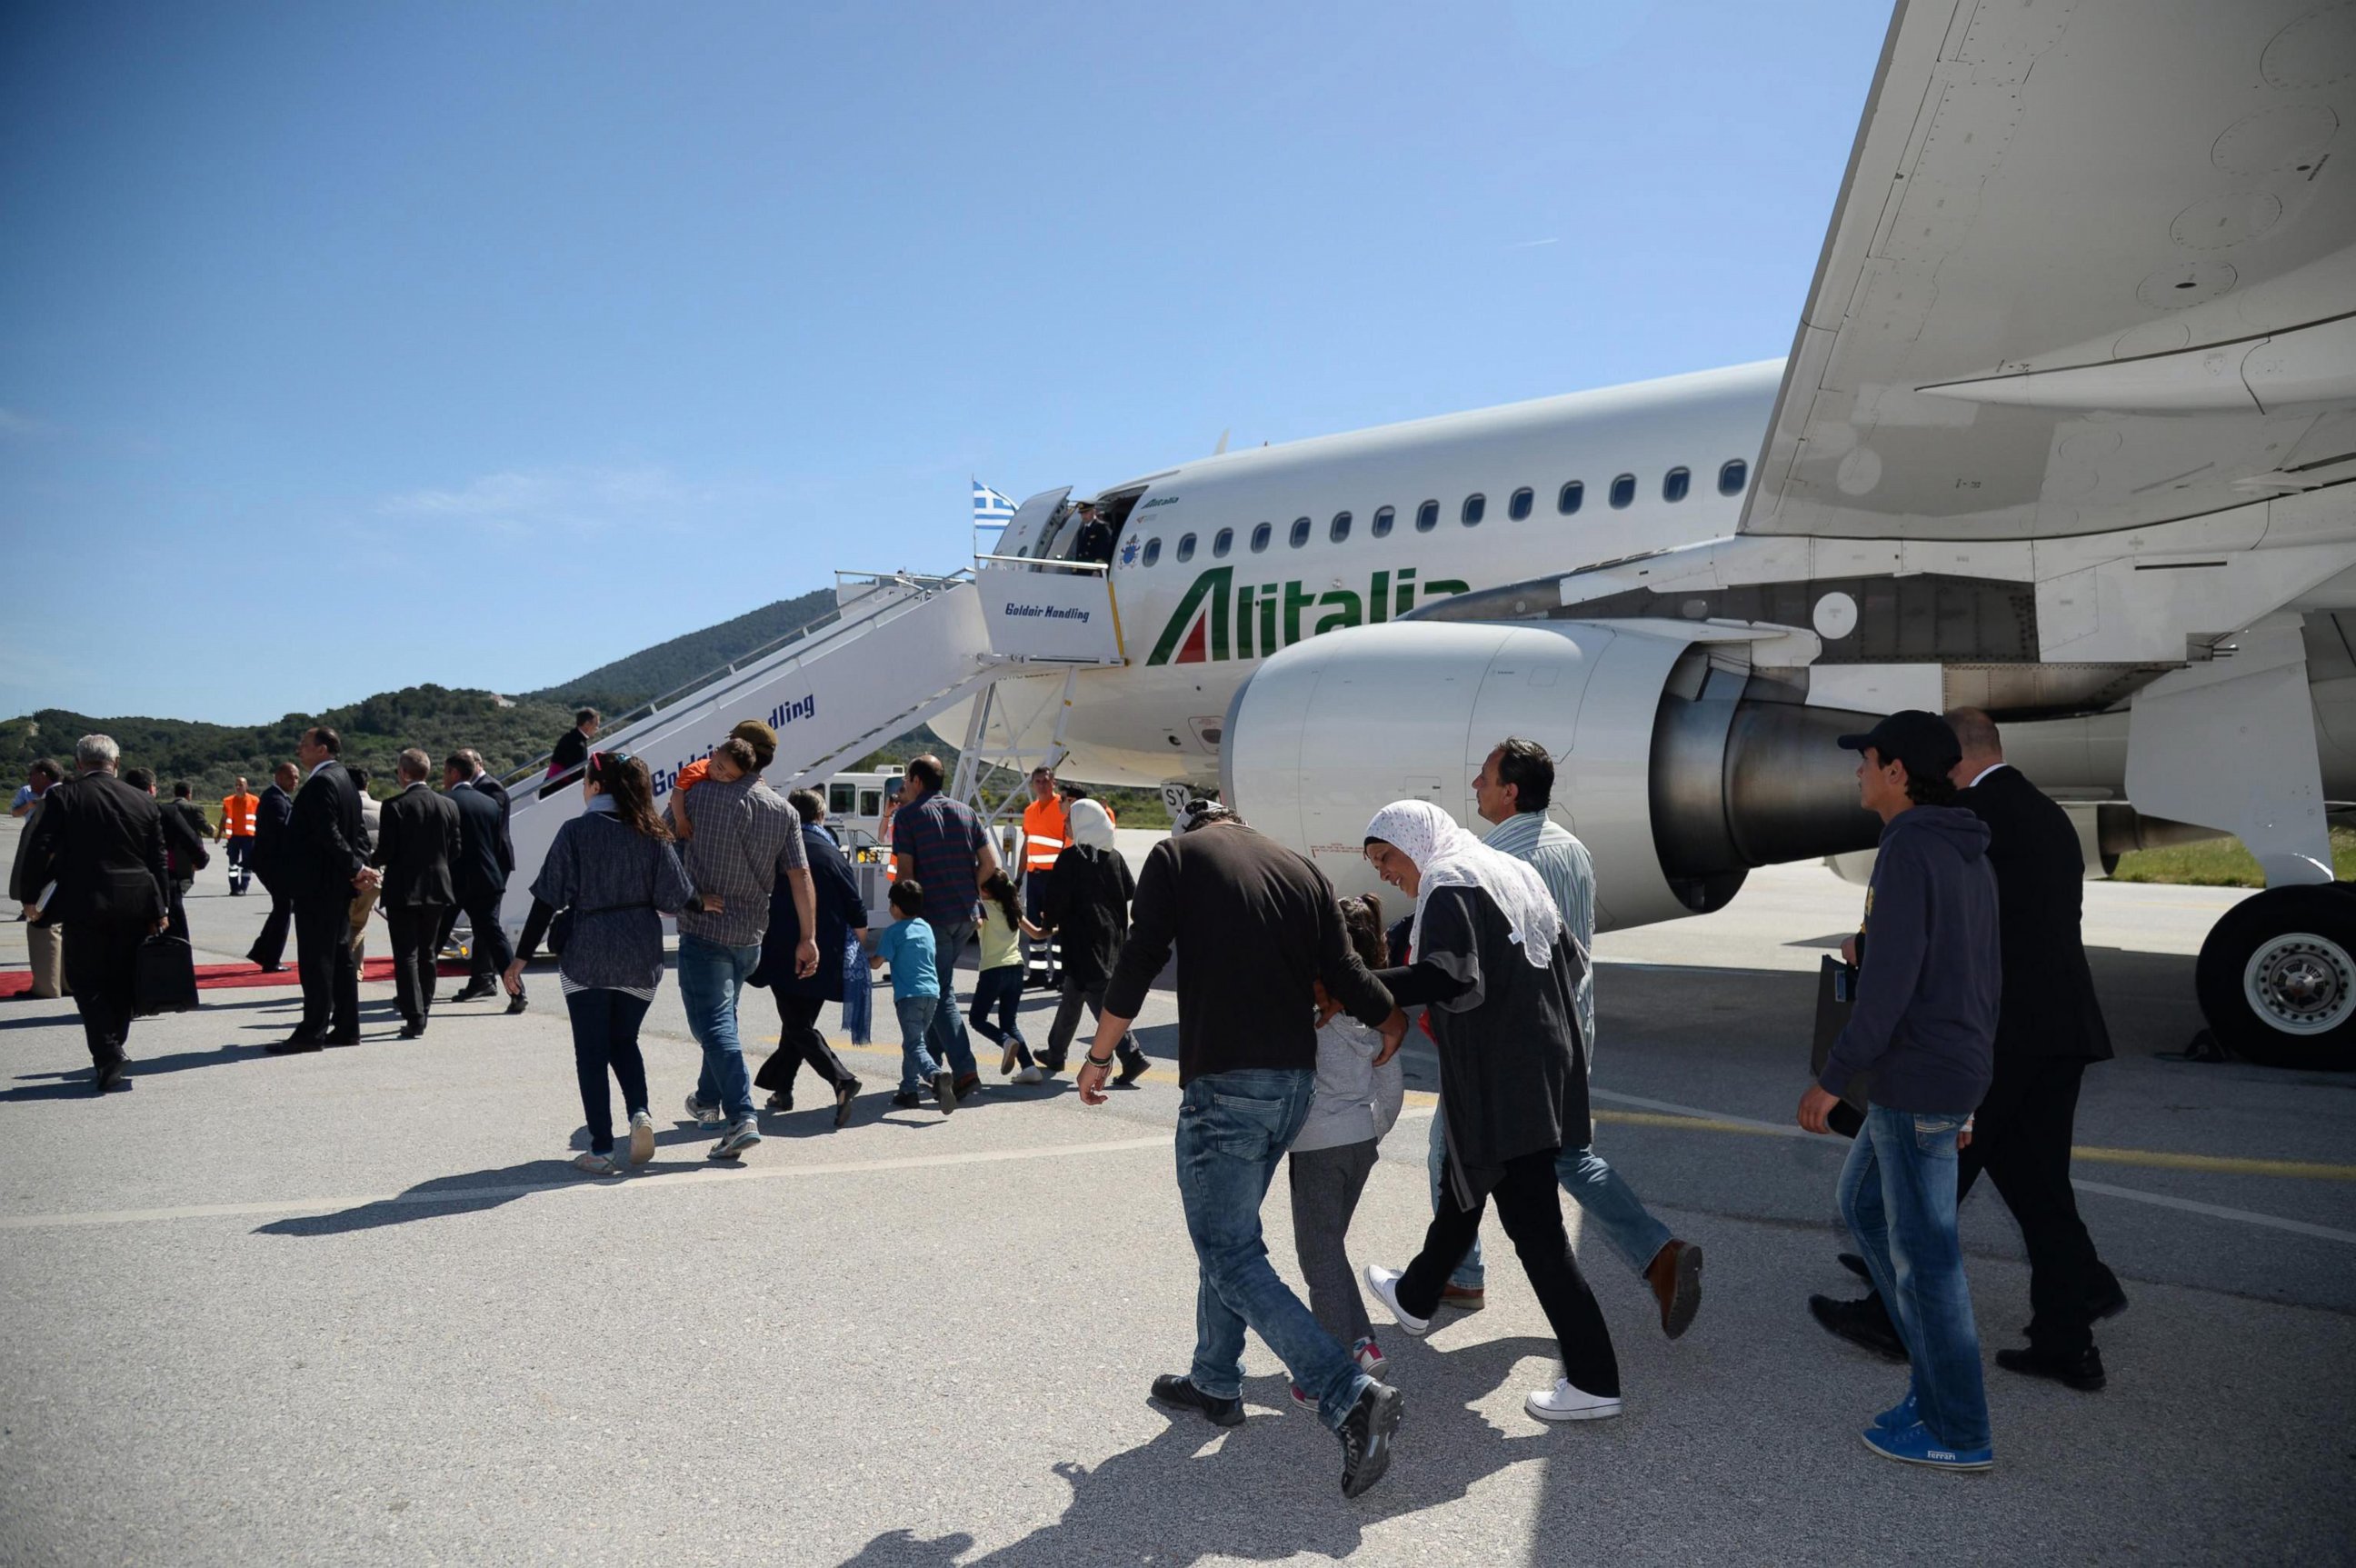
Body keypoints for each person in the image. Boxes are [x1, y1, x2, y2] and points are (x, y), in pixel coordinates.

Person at [1080, 803, 1409, 1500]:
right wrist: (1391, 1016)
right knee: (1229, 1234)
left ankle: (1347, 1392)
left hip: (1227, 1085)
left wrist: (1101, 1053)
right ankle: (1215, 1379)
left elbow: (1138, 957)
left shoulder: (1177, 858)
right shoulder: (1301, 869)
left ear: (1192, 828)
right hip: (1292, 1086)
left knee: (1228, 1250)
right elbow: (1347, 971)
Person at [1811, 708, 2126, 1391]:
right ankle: (2070, 1324)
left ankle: (1893, 1318)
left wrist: (1869, 950)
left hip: (1994, 1034)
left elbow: (1950, 936)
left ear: (1951, 761)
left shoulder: (1961, 824)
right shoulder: (2045, 811)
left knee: (1929, 1185)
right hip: (2063, 1027)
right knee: (2037, 1183)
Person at [1357, 800, 1626, 1425]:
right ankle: (1418, 1294)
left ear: (1412, 840)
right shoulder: (1509, 871)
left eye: (1386, 858)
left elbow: (1447, 976)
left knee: (1535, 1228)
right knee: (1469, 1176)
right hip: (1542, 1063)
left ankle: (1594, 1378)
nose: (1384, 874)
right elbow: (1573, 960)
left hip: (1503, 1078)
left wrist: (1360, 986)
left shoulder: (1451, 885)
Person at [1443, 739, 1705, 1337]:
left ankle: (1461, 1271)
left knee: (1456, 1148)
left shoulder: (1491, 860)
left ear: (1511, 790)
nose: (1476, 788)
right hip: (1573, 1033)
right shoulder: (1574, 849)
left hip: (1514, 1045)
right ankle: (1658, 1254)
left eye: (1483, 778)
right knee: (1567, 1155)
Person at [1797, 709, 1998, 1472]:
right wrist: (1973, 1082)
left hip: (1915, 1078)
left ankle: (1959, 1426)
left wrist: (1831, 1079)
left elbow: (1885, 988)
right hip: (1943, 1071)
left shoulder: (1910, 848)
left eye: (1866, 759)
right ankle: (1934, 1380)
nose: (1857, 771)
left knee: (1928, 1255)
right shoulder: (1963, 847)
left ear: (1895, 772)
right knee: (1865, 1207)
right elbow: (1983, 973)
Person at [508, 750, 701, 1175]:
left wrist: (519, 959)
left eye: (583, 784)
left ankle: (599, 1147)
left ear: (596, 787)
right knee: (624, 1041)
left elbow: (547, 898)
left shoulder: (576, 832)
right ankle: (640, 1113)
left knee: (591, 1053)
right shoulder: (652, 834)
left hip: (587, 954)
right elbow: (677, 897)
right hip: (640, 953)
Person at [1284, 892, 1406, 1411]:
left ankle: (1341, 1356)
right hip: (1359, 1143)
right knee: (1328, 1247)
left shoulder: (1317, 1016)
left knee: (1318, 1255)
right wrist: (1370, 1134)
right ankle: (1357, 1341)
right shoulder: (1375, 1017)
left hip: (1316, 1145)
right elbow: (1393, 1091)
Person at [672, 734, 818, 1161]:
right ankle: (705, 1098)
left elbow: (662, 841)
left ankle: (741, 1117)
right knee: (724, 1019)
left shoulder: (700, 796)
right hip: (752, 935)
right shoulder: (783, 810)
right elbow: (799, 876)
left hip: (706, 928)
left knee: (713, 1025)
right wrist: (808, 939)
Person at [16, 735, 168, 1090]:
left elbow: (40, 848)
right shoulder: (143, 800)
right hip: (136, 902)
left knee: (86, 981)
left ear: (80, 763)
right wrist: (160, 906)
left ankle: (107, 1052)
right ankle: (112, 1049)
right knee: (122, 980)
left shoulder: (64, 797)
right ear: (115, 762)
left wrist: (29, 898)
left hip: (85, 901)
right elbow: (158, 859)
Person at [749, 786, 867, 1128]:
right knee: (799, 1024)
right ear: (819, 817)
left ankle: (840, 1078)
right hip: (824, 954)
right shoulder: (833, 855)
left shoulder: (777, 850)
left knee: (797, 1025)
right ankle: (781, 1089)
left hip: (782, 950)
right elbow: (856, 908)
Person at [888, 754, 992, 1100]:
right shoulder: (966, 811)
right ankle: (930, 1066)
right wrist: (970, 889)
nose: (904, 785)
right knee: (937, 986)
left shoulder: (908, 816)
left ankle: (965, 1070)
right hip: (965, 914)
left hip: (932, 916)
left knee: (941, 992)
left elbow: (905, 871)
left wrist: (901, 912)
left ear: (917, 780)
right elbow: (990, 862)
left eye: (906, 779)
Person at [1034, 797, 1149, 1084]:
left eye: (1069, 820)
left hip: (1083, 942)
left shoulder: (1071, 859)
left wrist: (1046, 926)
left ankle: (1132, 1055)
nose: (1064, 824)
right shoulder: (1115, 858)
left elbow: (1055, 901)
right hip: (1110, 938)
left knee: (1099, 999)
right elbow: (1128, 893)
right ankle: (1056, 1052)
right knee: (1073, 996)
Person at [271, 726, 372, 1052]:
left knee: (316, 961)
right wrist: (357, 867)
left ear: (323, 749)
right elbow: (358, 833)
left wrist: (355, 868)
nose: (299, 749)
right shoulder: (345, 781)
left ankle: (311, 1032)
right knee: (341, 958)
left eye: (305, 744)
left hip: (317, 887)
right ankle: (346, 1027)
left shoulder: (321, 783)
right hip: (337, 886)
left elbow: (327, 832)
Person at [371, 749, 460, 1038]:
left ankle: (414, 1015)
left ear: (404, 773)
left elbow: (385, 851)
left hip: (404, 889)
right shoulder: (448, 805)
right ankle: (426, 1008)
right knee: (428, 953)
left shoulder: (394, 806)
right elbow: (456, 850)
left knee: (406, 955)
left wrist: (367, 863)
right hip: (438, 887)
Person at [442, 753, 523, 1012]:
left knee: (441, 934)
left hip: (463, 876)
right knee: (490, 933)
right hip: (485, 876)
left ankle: (417, 995)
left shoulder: (487, 792)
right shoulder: (486, 800)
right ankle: (505, 987)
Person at [870, 878, 954, 1112]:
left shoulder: (893, 932)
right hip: (932, 994)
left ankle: (935, 1076)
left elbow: (877, 964)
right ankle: (908, 1090)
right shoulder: (926, 927)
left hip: (909, 996)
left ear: (896, 907)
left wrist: (860, 960)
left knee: (914, 1044)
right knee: (913, 1042)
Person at [970, 868, 1042, 1084]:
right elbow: (1038, 933)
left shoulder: (981, 907)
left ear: (986, 890)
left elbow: (977, 924)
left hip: (993, 970)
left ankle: (1005, 1042)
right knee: (1009, 1021)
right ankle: (1029, 1067)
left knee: (977, 1018)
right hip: (1016, 968)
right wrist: (1055, 929)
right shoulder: (1012, 909)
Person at [6, 758, 66, 999]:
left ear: (43, 775)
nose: (29, 779)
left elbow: (39, 848)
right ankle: (67, 982)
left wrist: (29, 890)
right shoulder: (71, 794)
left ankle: (46, 986)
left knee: (43, 926)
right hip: (72, 875)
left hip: (49, 877)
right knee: (65, 928)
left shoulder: (48, 801)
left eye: (31, 774)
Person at [244, 762, 299, 971]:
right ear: (278, 777)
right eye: (290, 777)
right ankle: (270, 958)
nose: (294, 781)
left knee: (283, 906)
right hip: (272, 862)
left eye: (296, 777)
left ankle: (263, 951)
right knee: (285, 905)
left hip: (271, 862)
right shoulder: (275, 800)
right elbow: (283, 833)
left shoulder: (278, 798)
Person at [143, 773, 209, 942]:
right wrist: (201, 859)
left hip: (127, 878)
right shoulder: (165, 812)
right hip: (165, 874)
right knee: (174, 924)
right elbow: (190, 838)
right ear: (151, 788)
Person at [1019, 765, 1067, 989]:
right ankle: (1037, 972)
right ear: (1033, 784)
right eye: (1037, 781)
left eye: (1045, 781)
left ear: (1053, 783)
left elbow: (1068, 842)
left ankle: (1060, 973)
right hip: (1034, 875)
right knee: (1035, 923)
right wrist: (1020, 875)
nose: (1042, 785)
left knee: (1055, 924)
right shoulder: (1030, 810)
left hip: (1055, 876)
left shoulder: (1062, 807)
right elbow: (1027, 845)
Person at [344, 765, 381, 964]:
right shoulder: (382, 808)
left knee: (342, 925)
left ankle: (343, 971)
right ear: (367, 784)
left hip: (350, 874)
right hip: (375, 878)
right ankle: (356, 971)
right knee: (358, 925)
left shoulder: (344, 807)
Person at [217, 775, 259, 894]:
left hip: (249, 837)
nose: (238, 787)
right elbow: (223, 818)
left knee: (247, 863)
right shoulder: (228, 801)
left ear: (246, 786)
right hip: (234, 837)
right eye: (236, 785)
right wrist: (219, 833)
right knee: (233, 864)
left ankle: (243, 887)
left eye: (241, 785)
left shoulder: (255, 801)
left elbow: (260, 818)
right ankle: (234, 887)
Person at [549, 708, 601, 780]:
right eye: (596, 725)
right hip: (558, 787)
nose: (597, 728)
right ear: (587, 724)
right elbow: (577, 773)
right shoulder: (577, 744)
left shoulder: (572, 737)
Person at [1070, 500, 1114, 564]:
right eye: (1082, 514)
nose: (1083, 516)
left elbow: (1104, 550)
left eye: (1086, 513)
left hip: (1093, 569)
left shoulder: (1101, 528)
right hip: (1082, 568)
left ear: (1093, 511)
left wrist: (1097, 570)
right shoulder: (1081, 531)